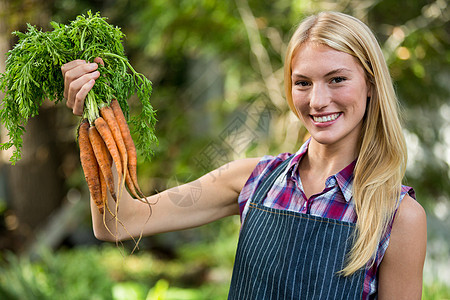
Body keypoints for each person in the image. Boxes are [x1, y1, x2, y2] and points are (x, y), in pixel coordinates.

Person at [61, 11, 426, 300]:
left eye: (337, 79)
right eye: (303, 83)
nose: (317, 101)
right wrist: (99, 115)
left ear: (371, 86)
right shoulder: (253, 180)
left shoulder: (398, 216)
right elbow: (116, 221)